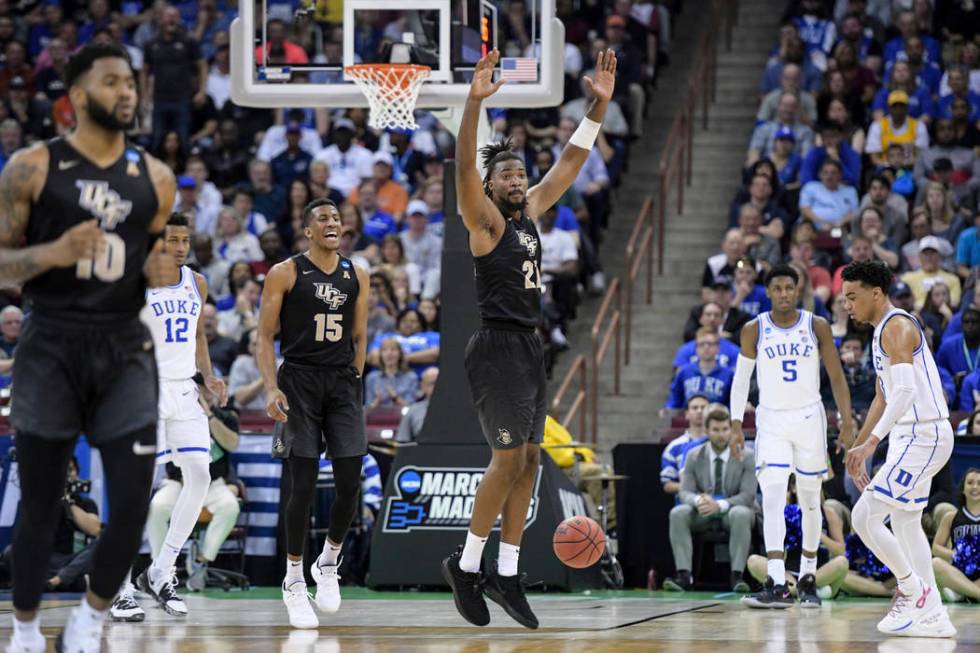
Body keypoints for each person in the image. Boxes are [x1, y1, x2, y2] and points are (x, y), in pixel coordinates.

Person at [0, 42, 177, 653]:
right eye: (111, 81)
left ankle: (90, 619)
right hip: (50, 342)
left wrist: (155, 270)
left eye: (131, 81)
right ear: (77, 95)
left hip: (124, 347)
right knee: (41, 507)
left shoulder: (156, 177)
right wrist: (50, 254)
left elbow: (151, 257)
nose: (127, 91)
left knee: (131, 506)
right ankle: (24, 628)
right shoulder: (32, 167)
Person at [441, 48, 617, 631]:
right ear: (491, 187)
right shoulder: (485, 220)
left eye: (520, 173)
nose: (518, 181)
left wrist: (598, 106)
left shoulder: (529, 214)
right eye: (507, 176)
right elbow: (464, 168)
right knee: (509, 457)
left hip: (528, 348)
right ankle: (467, 565)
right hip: (494, 346)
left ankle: (508, 572)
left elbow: (568, 162)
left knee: (532, 460)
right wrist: (472, 104)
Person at [257, 198, 370, 629]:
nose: (332, 223)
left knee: (350, 479)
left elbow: (360, 335)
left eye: (337, 219)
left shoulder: (357, 273)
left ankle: (329, 561)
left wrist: (354, 380)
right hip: (298, 381)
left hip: (341, 382)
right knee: (301, 487)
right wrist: (271, 387)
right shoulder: (285, 272)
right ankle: (291, 579)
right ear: (307, 230)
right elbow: (265, 337)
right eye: (323, 218)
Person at [111, 213, 227, 620]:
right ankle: (119, 586)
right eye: (172, 240)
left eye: (185, 239)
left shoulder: (197, 281)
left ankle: (160, 572)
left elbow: (197, 335)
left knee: (199, 474)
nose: (180, 247)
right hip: (144, 388)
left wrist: (208, 377)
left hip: (183, 388)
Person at [841, 259, 957, 638]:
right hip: (909, 436)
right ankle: (935, 615)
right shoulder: (880, 332)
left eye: (853, 296)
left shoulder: (898, 327)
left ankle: (911, 591)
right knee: (906, 522)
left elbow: (906, 392)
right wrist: (861, 447)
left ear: (876, 293)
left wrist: (872, 442)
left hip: (924, 434)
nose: (847, 304)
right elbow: (882, 395)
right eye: (844, 298)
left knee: (864, 517)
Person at [731, 264, 855, 609]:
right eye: (778, 288)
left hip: (809, 418)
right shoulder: (753, 330)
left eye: (790, 288)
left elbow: (836, 376)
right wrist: (735, 422)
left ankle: (808, 577)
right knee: (771, 496)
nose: (784, 293)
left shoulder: (816, 326)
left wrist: (845, 421)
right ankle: (775, 580)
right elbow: (741, 381)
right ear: (768, 292)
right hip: (771, 419)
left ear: (798, 290)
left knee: (810, 498)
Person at [663, 405, 758, 593]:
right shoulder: (693, 455)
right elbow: (685, 492)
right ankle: (683, 576)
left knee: (741, 513)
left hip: (732, 510)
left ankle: (737, 576)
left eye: (725, 429)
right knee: (678, 513)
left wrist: (720, 505)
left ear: (731, 429)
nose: (721, 434)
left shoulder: (746, 456)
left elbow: (748, 495)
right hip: (704, 511)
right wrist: (699, 501)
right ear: (707, 430)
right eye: (716, 430)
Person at [931, 468, 980, 602]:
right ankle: (973, 594)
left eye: (979, 483)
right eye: (970, 482)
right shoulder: (951, 517)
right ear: (963, 489)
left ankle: (963, 593)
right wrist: (956, 554)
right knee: (935, 563)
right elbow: (936, 548)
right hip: (959, 571)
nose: (975, 487)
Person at [664, 328, 735, 411]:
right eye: (701, 344)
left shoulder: (728, 374)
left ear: (718, 347)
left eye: (710, 344)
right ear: (696, 348)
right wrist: (668, 409)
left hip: (718, 419)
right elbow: (674, 399)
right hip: (689, 420)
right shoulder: (684, 372)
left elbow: (733, 403)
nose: (706, 347)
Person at [660, 395, 710, 495]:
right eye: (695, 408)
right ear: (687, 414)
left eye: (703, 407)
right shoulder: (674, 447)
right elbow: (667, 484)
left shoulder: (720, 442)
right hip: (685, 504)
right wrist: (691, 488)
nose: (699, 411)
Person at [396, 366, 439, 443]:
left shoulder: (456, 410)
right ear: (423, 386)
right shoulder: (413, 410)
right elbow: (402, 442)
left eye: (440, 382)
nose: (437, 386)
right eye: (432, 383)